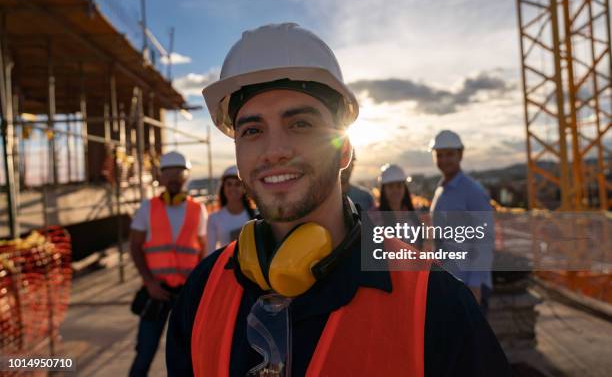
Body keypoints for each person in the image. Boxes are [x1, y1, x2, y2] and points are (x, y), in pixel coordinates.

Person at [166, 23, 510, 376]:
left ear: (344, 148)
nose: (274, 151)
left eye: (300, 124)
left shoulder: (434, 303)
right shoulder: (202, 294)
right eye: (252, 130)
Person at [128, 151, 207, 377]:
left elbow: (203, 250)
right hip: (157, 292)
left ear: (186, 176)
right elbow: (135, 246)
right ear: (161, 177)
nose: (173, 177)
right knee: (144, 353)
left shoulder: (197, 209)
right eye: (168, 172)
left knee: (189, 356)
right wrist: (149, 282)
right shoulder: (147, 208)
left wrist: (197, 286)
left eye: (178, 172)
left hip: (187, 295)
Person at [429, 130, 494, 309]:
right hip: (451, 280)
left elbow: (484, 239)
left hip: (469, 285)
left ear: (460, 154)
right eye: (439, 155)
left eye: (449, 154)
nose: (444, 160)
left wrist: (474, 285)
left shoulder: (472, 191)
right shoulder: (441, 190)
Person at [206, 165, 255, 255]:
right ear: (223, 188)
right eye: (229, 184)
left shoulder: (256, 216)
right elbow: (210, 252)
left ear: (244, 188)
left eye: (237, 184)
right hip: (226, 268)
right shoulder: (214, 218)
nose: (233, 188)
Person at [376, 163, 423, 248]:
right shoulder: (374, 217)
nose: (395, 190)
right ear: (384, 189)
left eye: (399, 186)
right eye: (390, 186)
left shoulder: (414, 214)